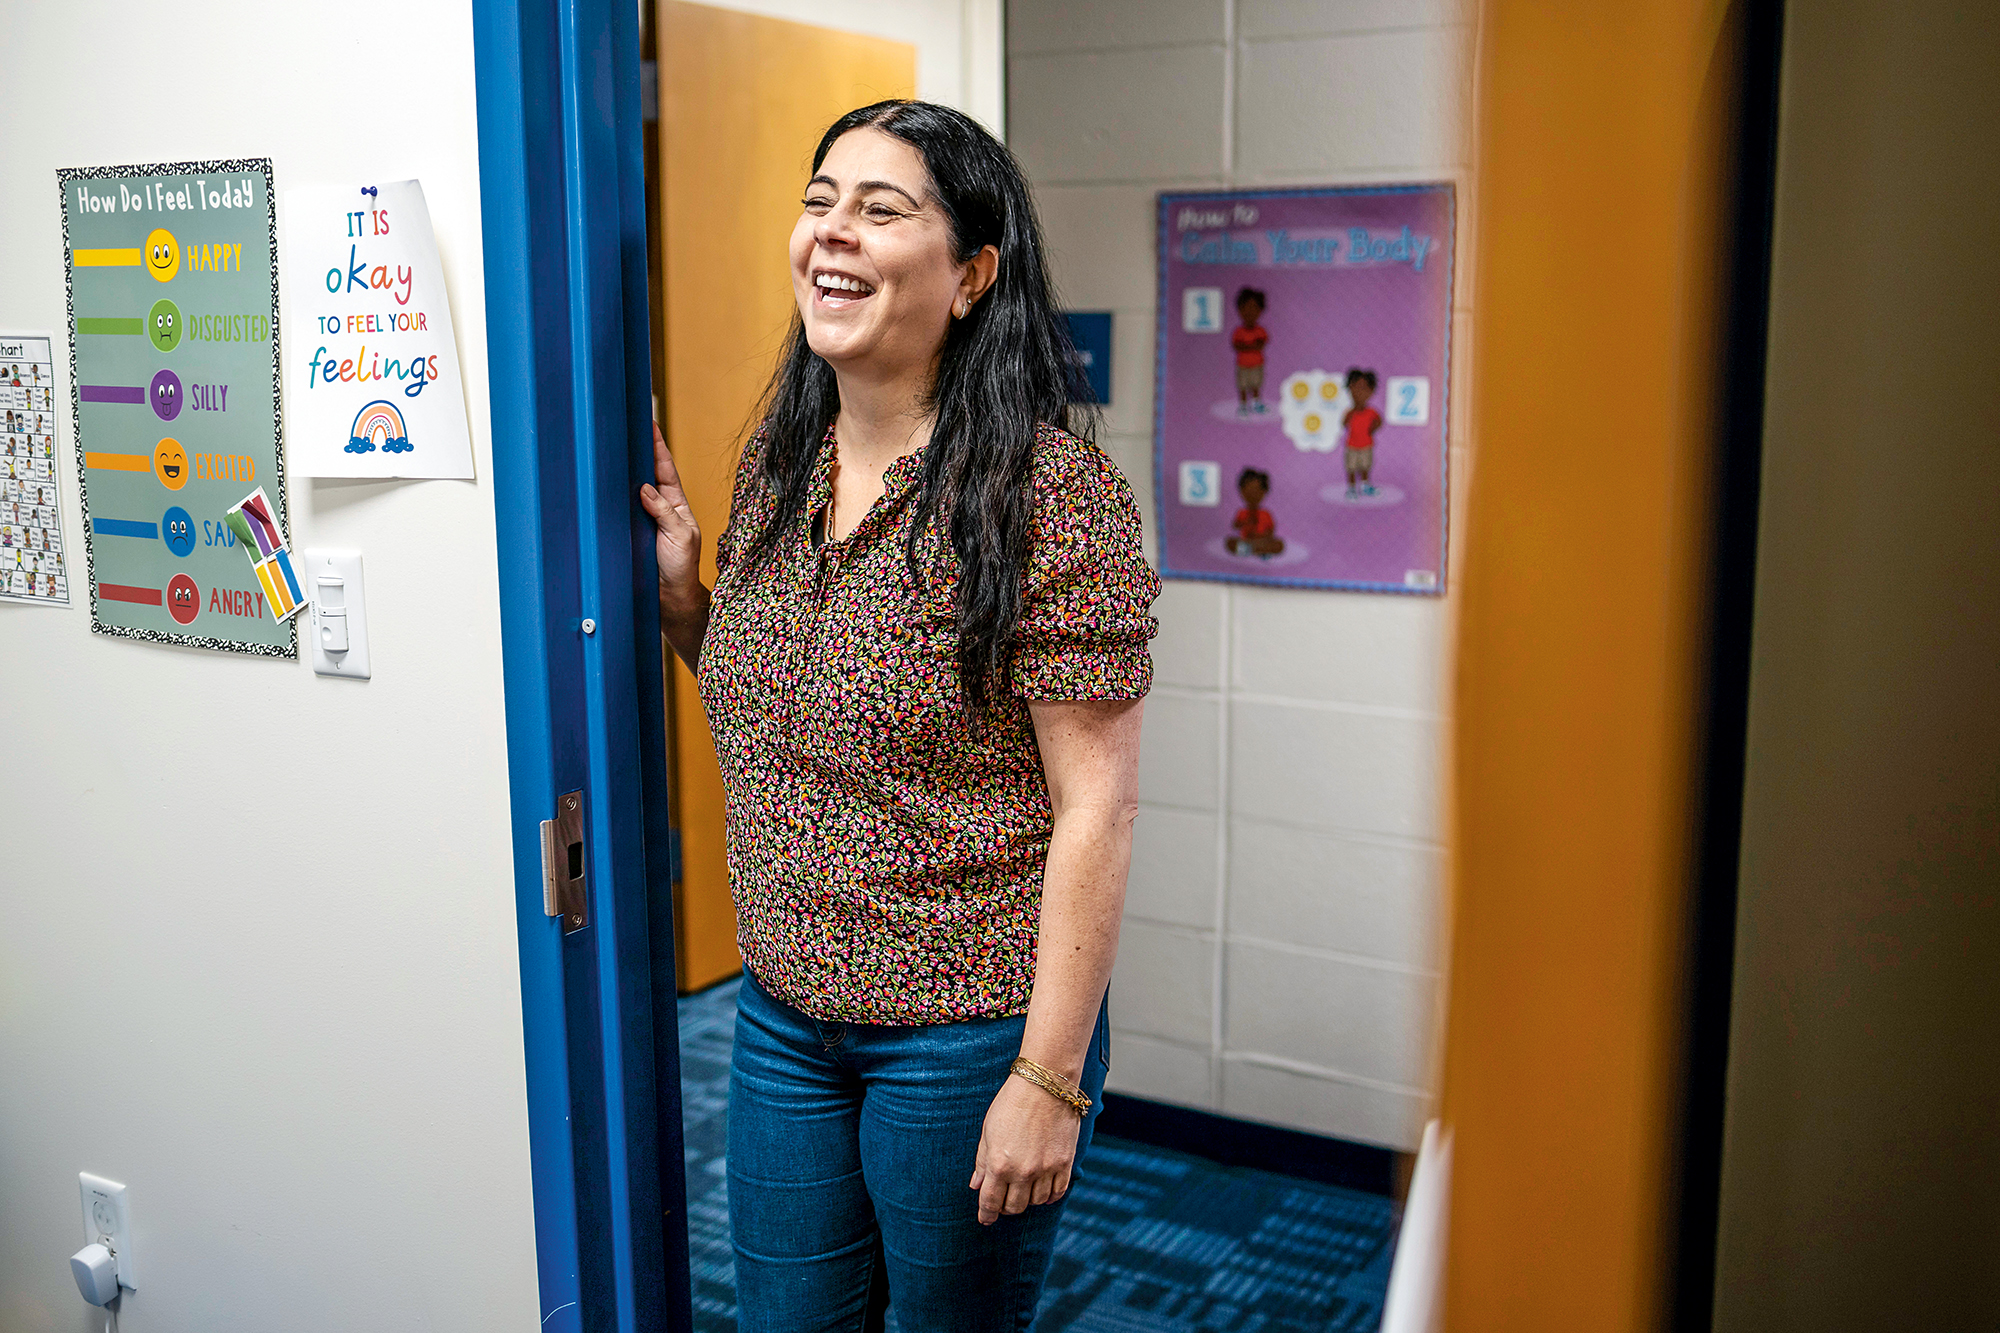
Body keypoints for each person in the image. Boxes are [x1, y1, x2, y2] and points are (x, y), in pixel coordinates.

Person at [640, 100, 1159, 1331]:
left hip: (963, 1033)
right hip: (780, 1021)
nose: (833, 234)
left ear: (972, 274)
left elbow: (1098, 807)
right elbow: (791, 720)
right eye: (820, 201)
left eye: (880, 210)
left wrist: (1046, 1077)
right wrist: (681, 605)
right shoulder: (780, 462)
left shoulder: (1047, 495)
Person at [1226, 467, 1284, 556]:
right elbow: (1235, 526)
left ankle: (1254, 550)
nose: (1252, 494)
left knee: (1279, 545)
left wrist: (1263, 536)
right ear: (1242, 491)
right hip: (1246, 540)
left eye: (1256, 490)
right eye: (1248, 490)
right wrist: (1244, 523)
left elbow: (1270, 530)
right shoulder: (1242, 512)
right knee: (1230, 542)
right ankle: (1255, 550)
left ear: (1264, 492)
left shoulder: (1265, 514)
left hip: (1261, 541)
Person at [1342, 367, 1382, 497]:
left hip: (1366, 445)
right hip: (1352, 446)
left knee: (1365, 467)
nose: (1359, 392)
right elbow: (1344, 423)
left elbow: (1379, 421)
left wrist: (1373, 429)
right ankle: (1352, 488)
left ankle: (1365, 485)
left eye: (1364, 388)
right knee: (1351, 468)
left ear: (1371, 392)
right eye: (1355, 387)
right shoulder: (1350, 412)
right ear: (1350, 389)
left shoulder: (1371, 412)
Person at [1231, 287, 1269, 414]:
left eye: (1254, 308)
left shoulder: (1260, 331)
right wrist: (1251, 346)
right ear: (1240, 310)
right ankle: (1243, 405)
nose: (1249, 312)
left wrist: (1247, 346)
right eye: (1246, 308)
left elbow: (1260, 345)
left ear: (1260, 310)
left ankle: (1256, 403)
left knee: (1256, 385)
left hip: (1257, 364)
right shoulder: (1239, 331)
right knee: (1242, 386)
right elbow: (1237, 346)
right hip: (1242, 365)